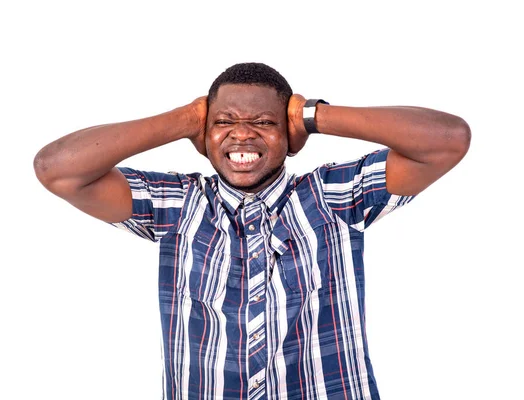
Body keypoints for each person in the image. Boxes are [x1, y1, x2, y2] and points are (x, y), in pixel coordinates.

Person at [34, 62, 470, 400]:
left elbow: (447, 140)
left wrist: (314, 114)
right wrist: (186, 120)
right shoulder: (178, 204)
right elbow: (58, 170)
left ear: (290, 136)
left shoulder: (332, 196)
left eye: (264, 122)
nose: (242, 134)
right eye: (224, 122)